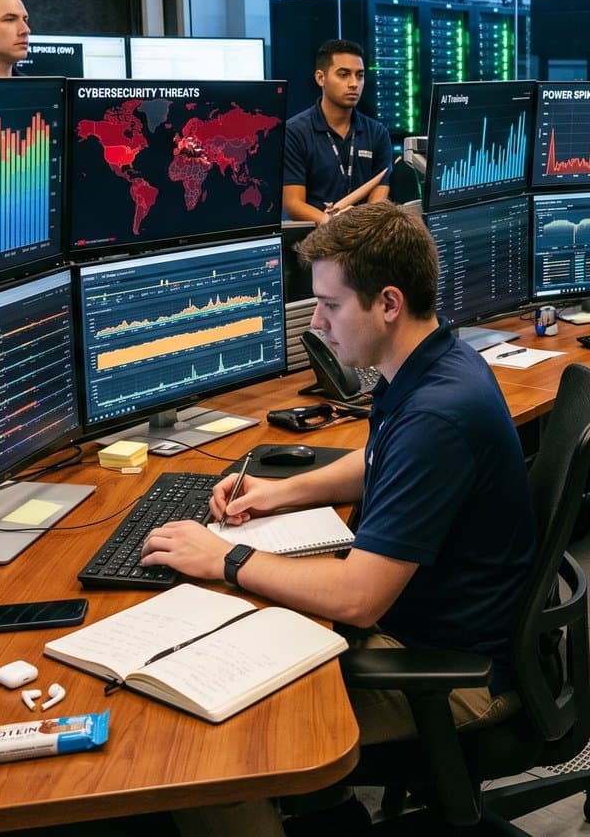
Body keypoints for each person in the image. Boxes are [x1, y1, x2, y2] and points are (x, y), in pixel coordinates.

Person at [141, 202, 536, 749]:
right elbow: (380, 458)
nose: (318, 322)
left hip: (453, 675)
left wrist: (224, 559)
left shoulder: (436, 416)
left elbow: (357, 599)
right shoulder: (434, 363)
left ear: (389, 304)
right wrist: (280, 492)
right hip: (430, 631)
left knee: (214, 732)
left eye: (329, 304)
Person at [281, 39, 393, 225]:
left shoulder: (377, 133)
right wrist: (333, 224)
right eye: (343, 75)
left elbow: (379, 196)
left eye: (360, 75)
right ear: (320, 78)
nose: (354, 83)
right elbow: (293, 204)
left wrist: (360, 226)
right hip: (315, 240)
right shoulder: (294, 132)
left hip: (364, 237)